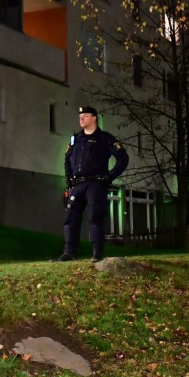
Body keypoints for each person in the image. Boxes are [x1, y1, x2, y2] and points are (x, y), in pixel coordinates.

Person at [56, 106, 129, 262]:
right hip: (77, 184)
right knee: (70, 217)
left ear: (94, 118)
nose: (81, 118)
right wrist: (69, 180)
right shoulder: (75, 139)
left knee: (95, 216)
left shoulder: (105, 138)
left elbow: (123, 158)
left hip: (96, 183)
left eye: (86, 115)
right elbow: (67, 159)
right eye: (80, 115)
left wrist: (109, 177)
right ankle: (69, 252)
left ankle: (97, 253)